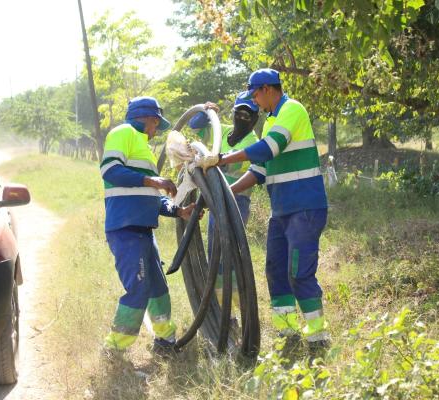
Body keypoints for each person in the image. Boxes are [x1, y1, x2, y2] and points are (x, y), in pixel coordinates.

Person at [198, 69, 330, 354]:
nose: (255, 100)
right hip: (282, 211)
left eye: (256, 93)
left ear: (270, 89)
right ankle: (287, 333)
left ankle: (317, 338)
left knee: (299, 274)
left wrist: (221, 159)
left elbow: (269, 149)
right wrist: (225, 195)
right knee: (275, 271)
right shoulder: (272, 121)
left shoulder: (292, 110)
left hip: (305, 208)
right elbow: (259, 171)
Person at [99, 96, 195, 356]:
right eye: (156, 125)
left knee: (157, 287)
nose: (156, 132)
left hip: (142, 230)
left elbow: (153, 199)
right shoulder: (123, 132)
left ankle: (164, 341)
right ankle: (114, 350)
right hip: (125, 229)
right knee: (139, 288)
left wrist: (178, 211)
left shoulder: (143, 150)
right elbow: (110, 170)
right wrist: (153, 180)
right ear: (150, 119)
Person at [188, 91, 259, 311]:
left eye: (249, 114)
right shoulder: (222, 132)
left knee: (230, 253)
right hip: (214, 202)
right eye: (240, 113)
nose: (243, 118)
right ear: (234, 113)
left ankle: (235, 307)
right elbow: (195, 127)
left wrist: (216, 162)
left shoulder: (253, 142)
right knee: (215, 252)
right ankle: (221, 308)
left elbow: (234, 166)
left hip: (237, 203)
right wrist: (207, 112)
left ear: (256, 117)